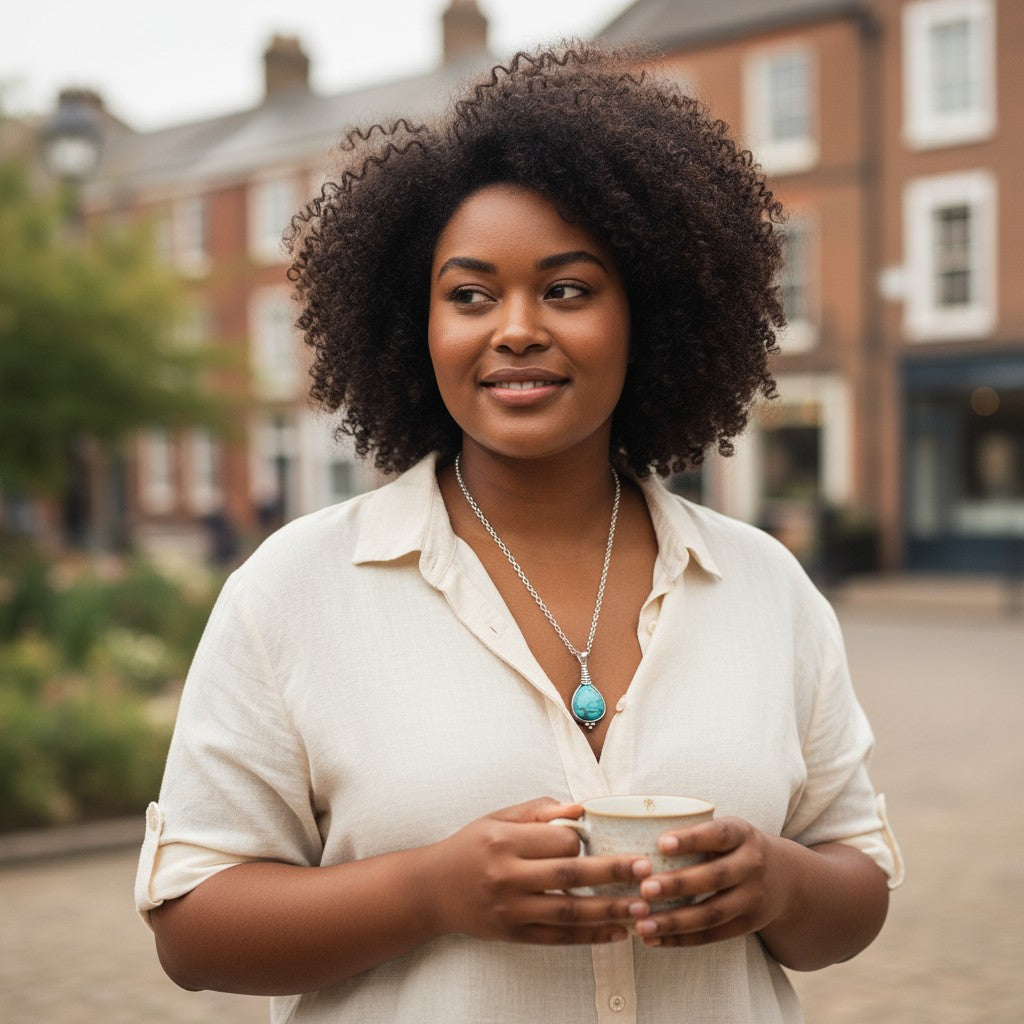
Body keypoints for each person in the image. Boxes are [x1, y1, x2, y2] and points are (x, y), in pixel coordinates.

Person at [135, 43, 903, 1024]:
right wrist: (431, 891)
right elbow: (192, 928)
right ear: (415, 326)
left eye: (568, 289)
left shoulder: (764, 585)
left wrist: (779, 886)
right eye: (468, 295)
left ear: (650, 313)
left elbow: (857, 889)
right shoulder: (294, 588)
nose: (514, 327)